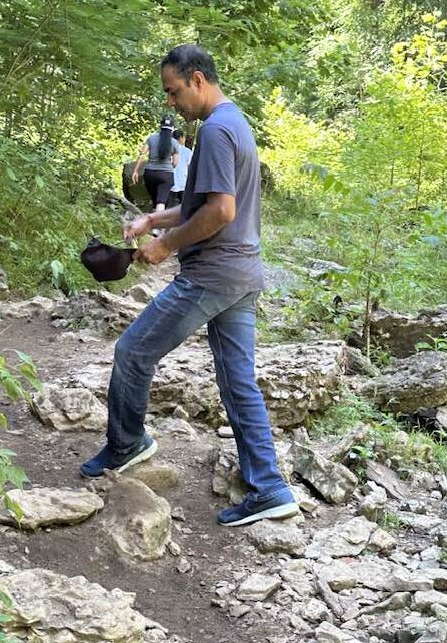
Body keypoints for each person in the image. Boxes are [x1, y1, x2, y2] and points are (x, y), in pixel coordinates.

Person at [80, 44, 299, 528]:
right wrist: (152, 220)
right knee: (238, 381)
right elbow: (203, 203)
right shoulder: (232, 123)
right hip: (242, 274)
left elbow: (221, 213)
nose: (172, 103)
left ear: (197, 79)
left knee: (133, 352)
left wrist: (165, 246)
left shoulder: (218, 132)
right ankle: (270, 488)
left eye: (174, 91)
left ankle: (127, 445)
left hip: (213, 275)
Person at [132, 114, 179, 212]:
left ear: (160, 126)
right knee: (161, 202)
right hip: (166, 174)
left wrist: (135, 171)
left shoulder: (151, 138)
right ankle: (158, 226)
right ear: (172, 129)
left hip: (150, 174)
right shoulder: (174, 142)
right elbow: (175, 163)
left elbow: (142, 155)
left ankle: (154, 224)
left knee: (155, 201)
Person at [170, 128, 193, 204]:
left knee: (167, 206)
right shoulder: (187, 151)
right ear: (180, 138)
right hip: (183, 181)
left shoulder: (168, 150)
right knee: (184, 205)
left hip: (170, 180)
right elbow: (191, 167)